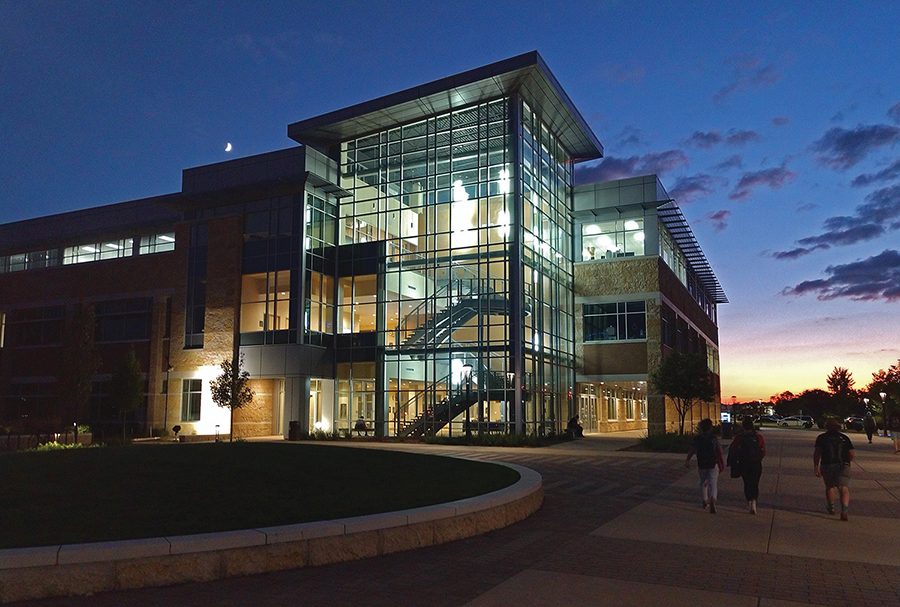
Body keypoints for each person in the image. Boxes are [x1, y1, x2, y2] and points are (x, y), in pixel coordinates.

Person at [814, 418, 855, 521]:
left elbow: (817, 453)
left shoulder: (822, 438)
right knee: (844, 488)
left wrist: (816, 466)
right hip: (843, 465)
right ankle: (844, 510)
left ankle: (831, 507)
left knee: (830, 486)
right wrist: (848, 462)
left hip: (827, 464)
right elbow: (851, 453)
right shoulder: (844, 438)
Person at [685, 418, 725, 513]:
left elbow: (692, 450)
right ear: (710, 427)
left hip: (702, 463)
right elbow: (720, 451)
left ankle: (704, 499)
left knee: (703, 482)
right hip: (712, 463)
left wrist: (687, 460)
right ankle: (713, 499)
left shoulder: (697, 439)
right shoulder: (713, 438)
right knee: (713, 483)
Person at [728, 416, 766, 514]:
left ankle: (749, 501)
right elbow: (763, 451)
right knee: (755, 483)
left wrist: (732, 461)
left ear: (743, 426)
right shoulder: (758, 437)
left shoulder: (739, 437)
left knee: (747, 483)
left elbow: (732, 449)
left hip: (744, 463)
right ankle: (754, 502)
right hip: (756, 464)